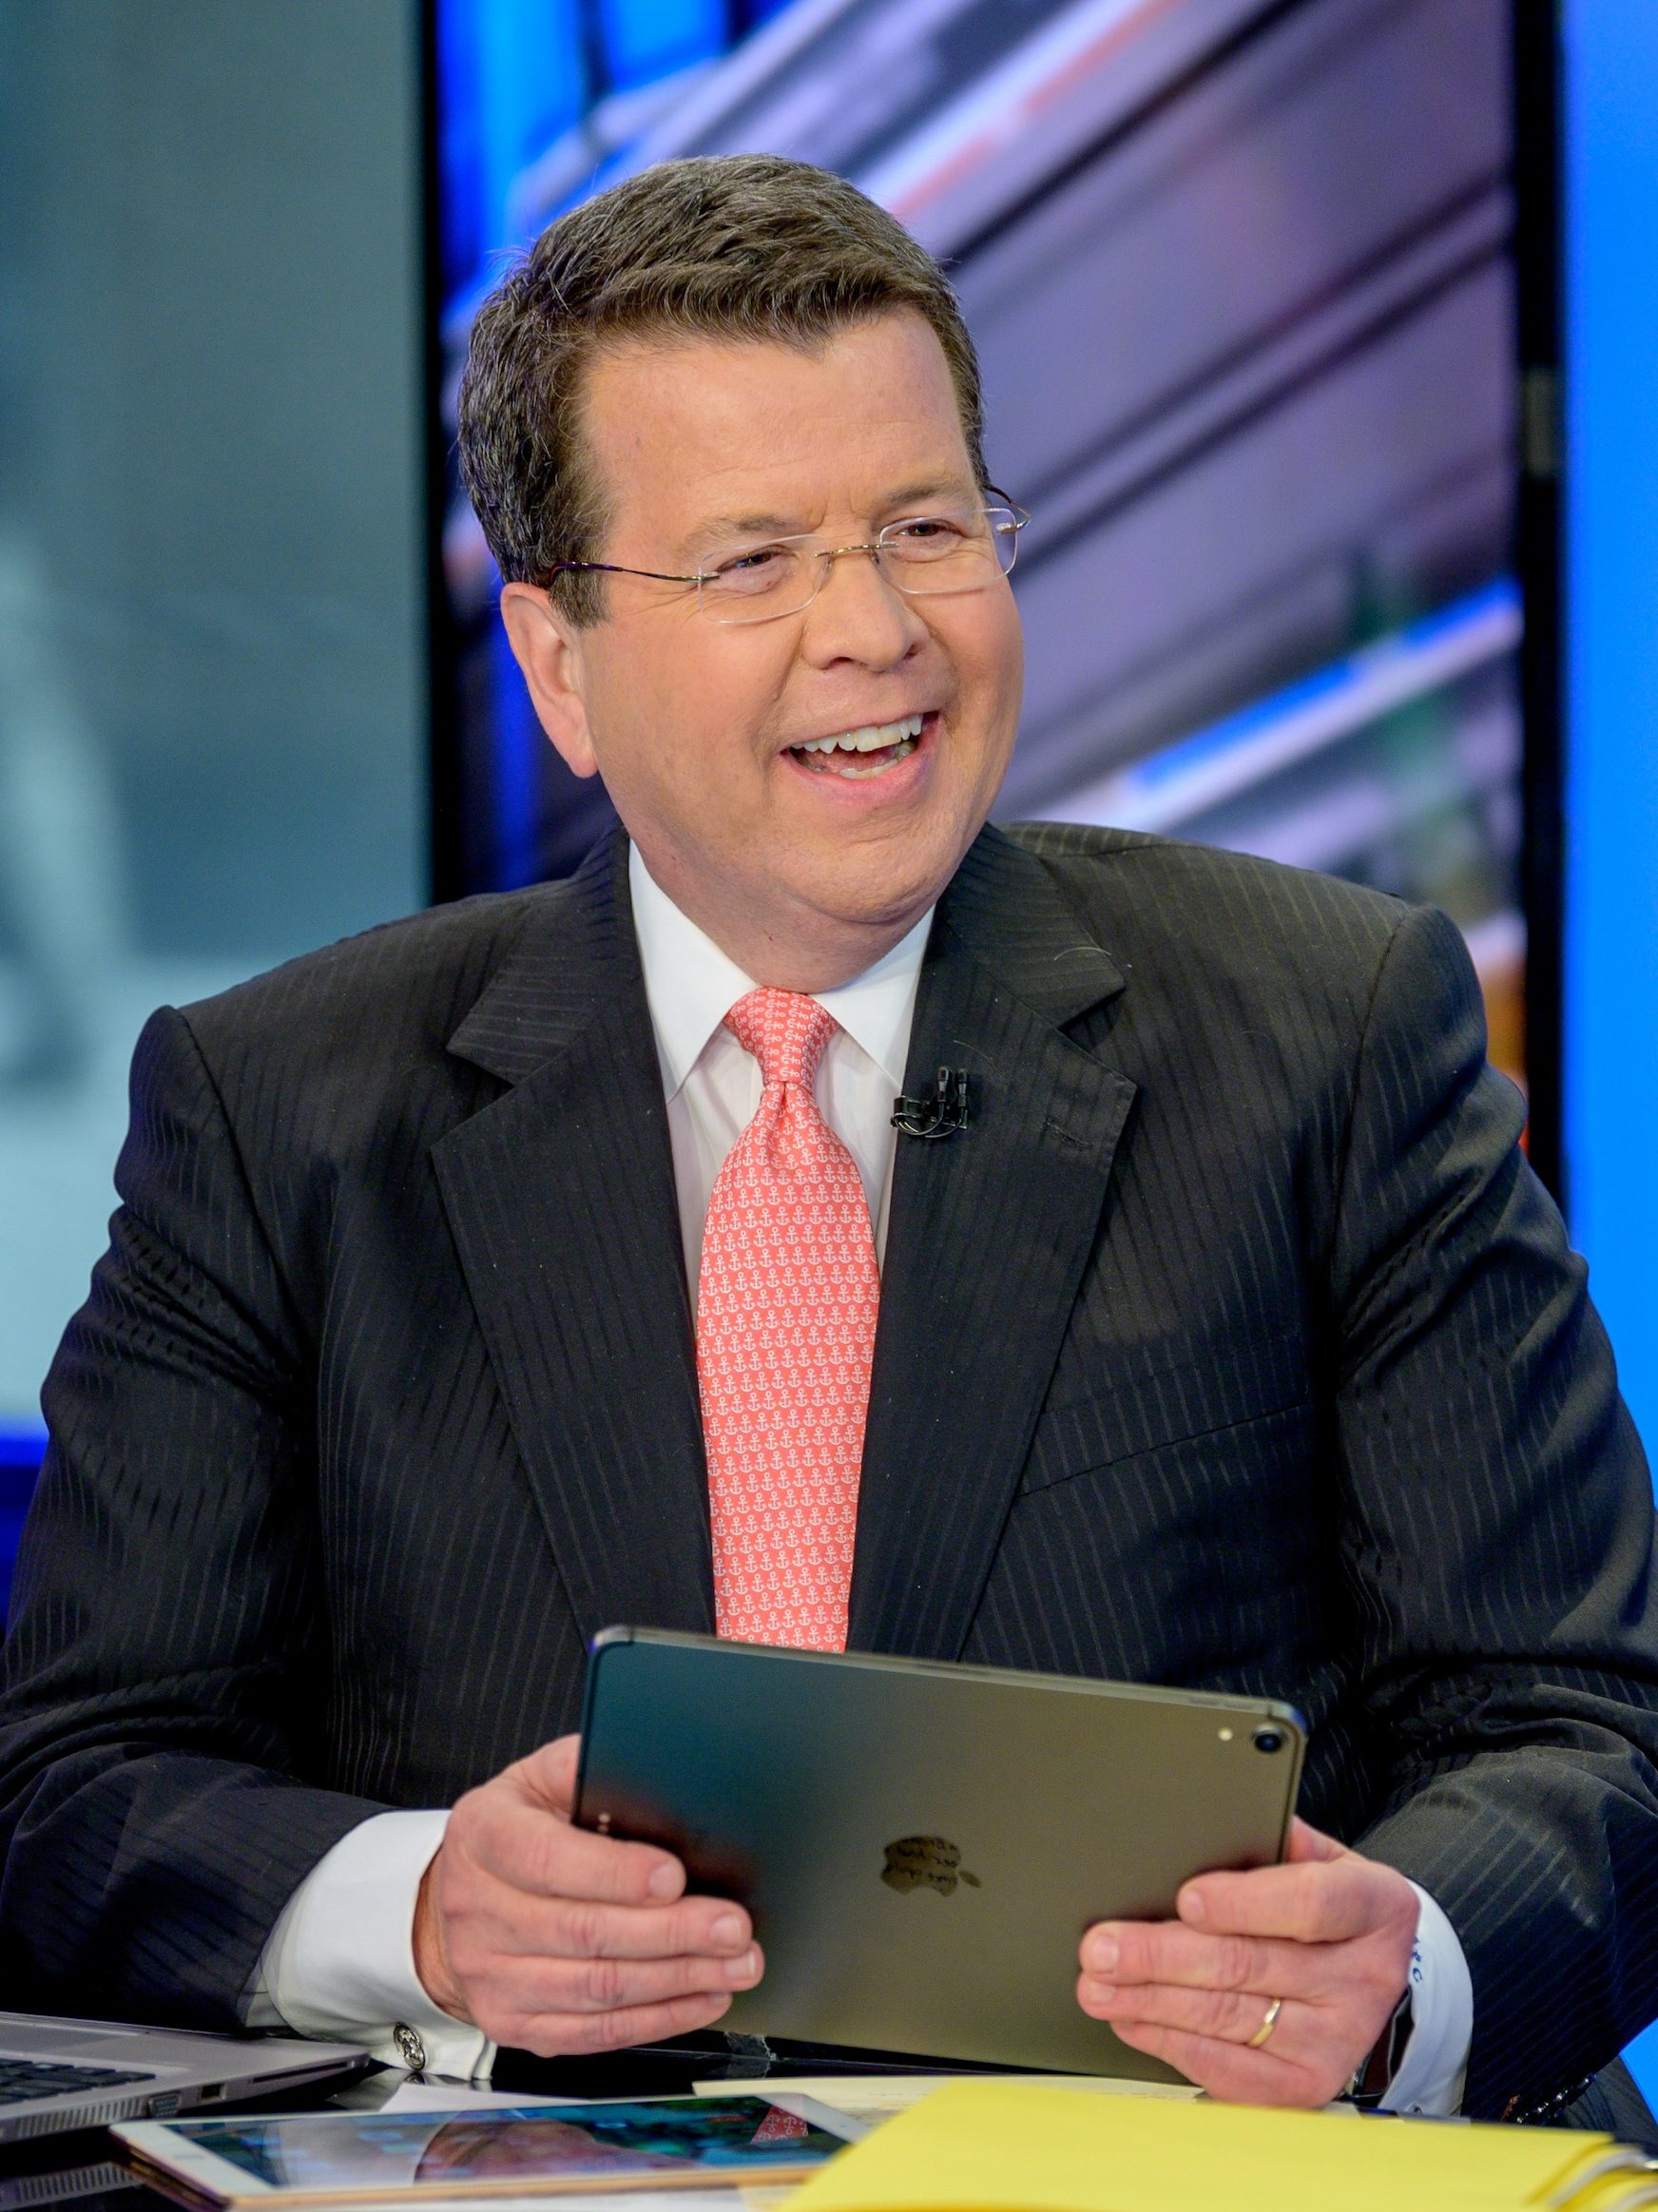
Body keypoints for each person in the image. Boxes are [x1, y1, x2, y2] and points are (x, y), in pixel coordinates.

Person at [2, 154, 1655, 2128]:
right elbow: (76, 1785)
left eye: (922, 527)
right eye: (752, 559)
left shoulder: (1328, 1026)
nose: (871, 630)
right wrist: (416, 1908)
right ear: (556, 669)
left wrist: (1403, 1971)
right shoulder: (281, 1114)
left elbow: (1586, 1730)